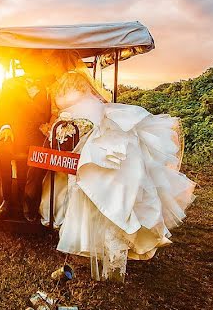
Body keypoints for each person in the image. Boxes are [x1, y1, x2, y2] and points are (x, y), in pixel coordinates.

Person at [38, 50, 196, 282]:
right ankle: (104, 248)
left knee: (105, 185)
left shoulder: (73, 81)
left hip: (93, 136)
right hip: (81, 138)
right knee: (92, 191)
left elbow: (90, 107)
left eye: (51, 61)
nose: (48, 64)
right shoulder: (62, 86)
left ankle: (114, 250)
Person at [0, 50, 54, 222]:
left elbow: (54, 112)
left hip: (38, 135)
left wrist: (49, 126)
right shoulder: (10, 84)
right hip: (15, 133)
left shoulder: (49, 87)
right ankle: (7, 201)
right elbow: (2, 110)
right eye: (30, 65)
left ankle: (29, 201)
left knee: (40, 154)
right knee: (2, 151)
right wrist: (6, 127)